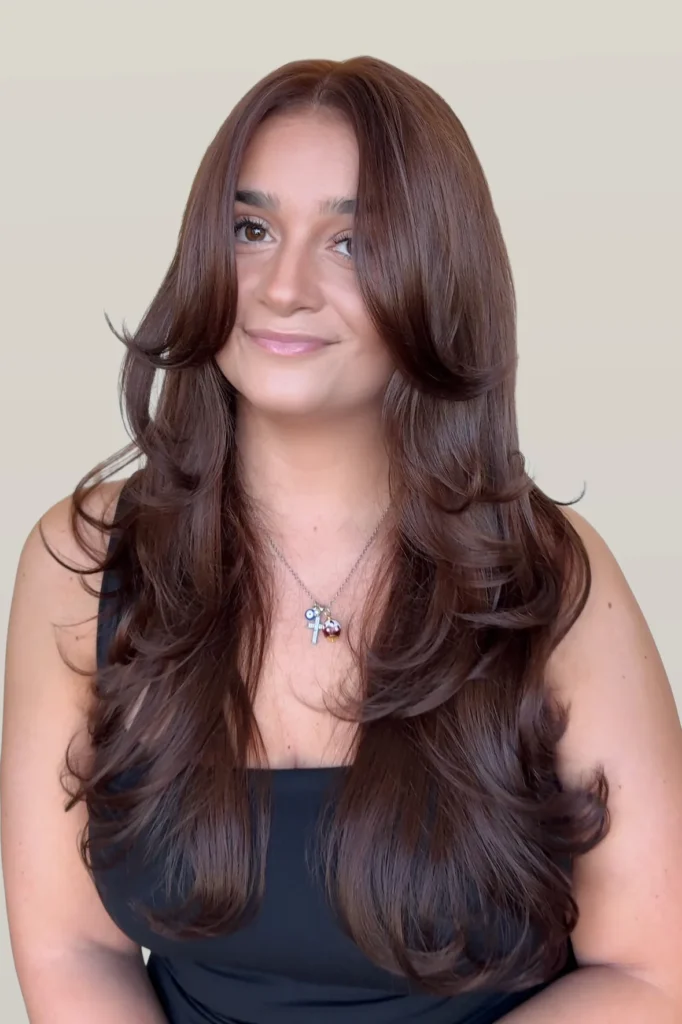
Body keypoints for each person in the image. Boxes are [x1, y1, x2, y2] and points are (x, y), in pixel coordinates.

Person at [2, 55, 681, 1024]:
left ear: (435, 272)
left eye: (350, 242)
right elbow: (74, 947)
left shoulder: (549, 573)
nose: (283, 285)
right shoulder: (80, 562)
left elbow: (652, 970)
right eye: (251, 229)